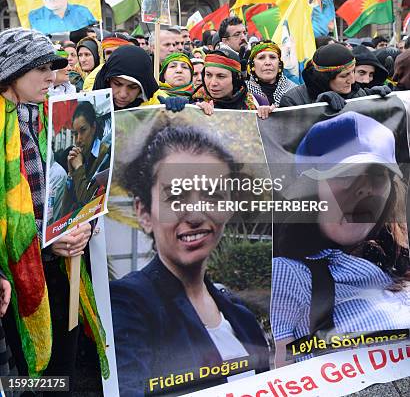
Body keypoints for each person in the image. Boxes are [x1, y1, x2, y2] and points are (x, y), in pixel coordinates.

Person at [110, 122, 270, 395]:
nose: (196, 215)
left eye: (212, 195)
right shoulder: (127, 304)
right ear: (143, 212)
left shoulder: (242, 318)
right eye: (176, 197)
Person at [0, 28, 106, 390]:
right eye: (41, 68)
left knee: (65, 367)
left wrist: (82, 226)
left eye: (54, 67)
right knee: (28, 373)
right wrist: (46, 241)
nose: (52, 76)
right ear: (12, 71)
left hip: (64, 266)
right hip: (13, 280)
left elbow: (78, 192)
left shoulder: (53, 115)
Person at [271, 112, 409, 367]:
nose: (365, 187)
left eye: (377, 174)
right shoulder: (290, 273)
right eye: (345, 173)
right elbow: (282, 375)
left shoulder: (399, 258)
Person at [280, 43, 390, 109]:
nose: (351, 81)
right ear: (324, 78)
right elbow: (293, 141)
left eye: (352, 72)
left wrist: (373, 100)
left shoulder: (358, 92)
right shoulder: (293, 100)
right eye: (344, 75)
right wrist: (319, 109)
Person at [93, 44, 191, 113]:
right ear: (107, 80)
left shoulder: (157, 104)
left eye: (133, 87)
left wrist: (182, 114)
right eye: (117, 84)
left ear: (143, 88)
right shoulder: (90, 102)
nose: (123, 94)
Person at [60, 101, 111, 218]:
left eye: (83, 130)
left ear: (93, 127)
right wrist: (71, 174)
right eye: (74, 133)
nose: (78, 139)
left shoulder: (104, 155)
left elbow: (88, 203)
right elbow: (65, 210)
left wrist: (78, 168)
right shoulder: (81, 155)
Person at [193, 48, 261, 111]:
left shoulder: (258, 102)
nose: (213, 83)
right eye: (208, 75)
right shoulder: (194, 102)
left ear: (236, 79)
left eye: (221, 76)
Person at [246, 41, 296, 107]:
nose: (268, 62)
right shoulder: (243, 93)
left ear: (279, 64)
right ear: (252, 65)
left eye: (272, 57)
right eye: (261, 58)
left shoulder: (294, 91)